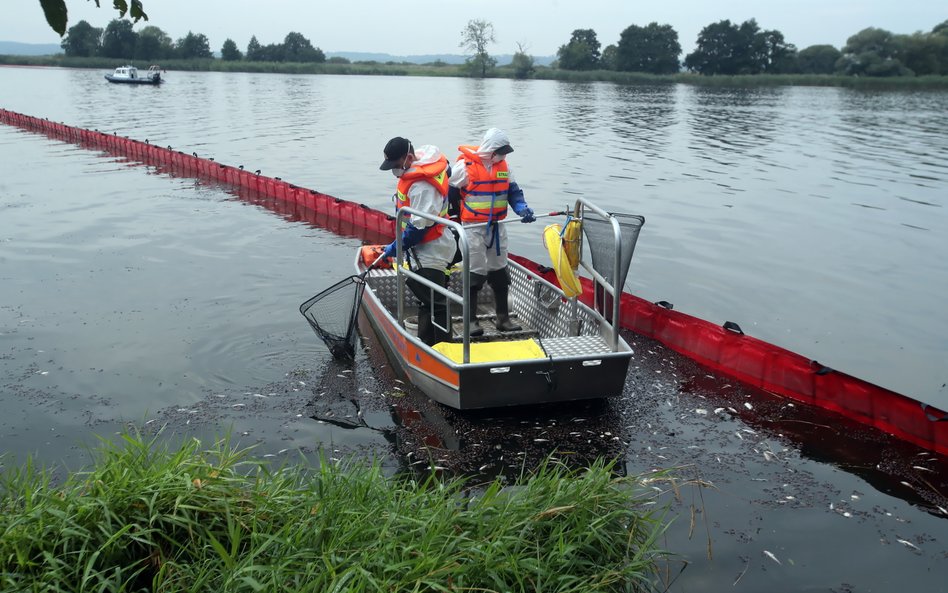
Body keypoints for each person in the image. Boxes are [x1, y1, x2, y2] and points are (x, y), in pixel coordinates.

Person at [449, 128, 535, 336]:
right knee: (475, 272)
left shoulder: (504, 167)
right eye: (501, 151)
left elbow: (514, 192)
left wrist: (522, 207)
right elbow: (450, 192)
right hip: (472, 228)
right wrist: (456, 219)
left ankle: (503, 319)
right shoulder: (464, 167)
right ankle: (470, 321)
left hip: (497, 228)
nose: (503, 155)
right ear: (490, 149)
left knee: (500, 272)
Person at [379, 137, 455, 346]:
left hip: (432, 249)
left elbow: (417, 229)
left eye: (395, 165)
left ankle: (443, 349)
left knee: (436, 302)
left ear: (409, 157)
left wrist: (396, 247)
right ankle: (427, 343)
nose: (394, 170)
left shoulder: (422, 187)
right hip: (427, 247)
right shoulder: (421, 161)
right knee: (427, 299)